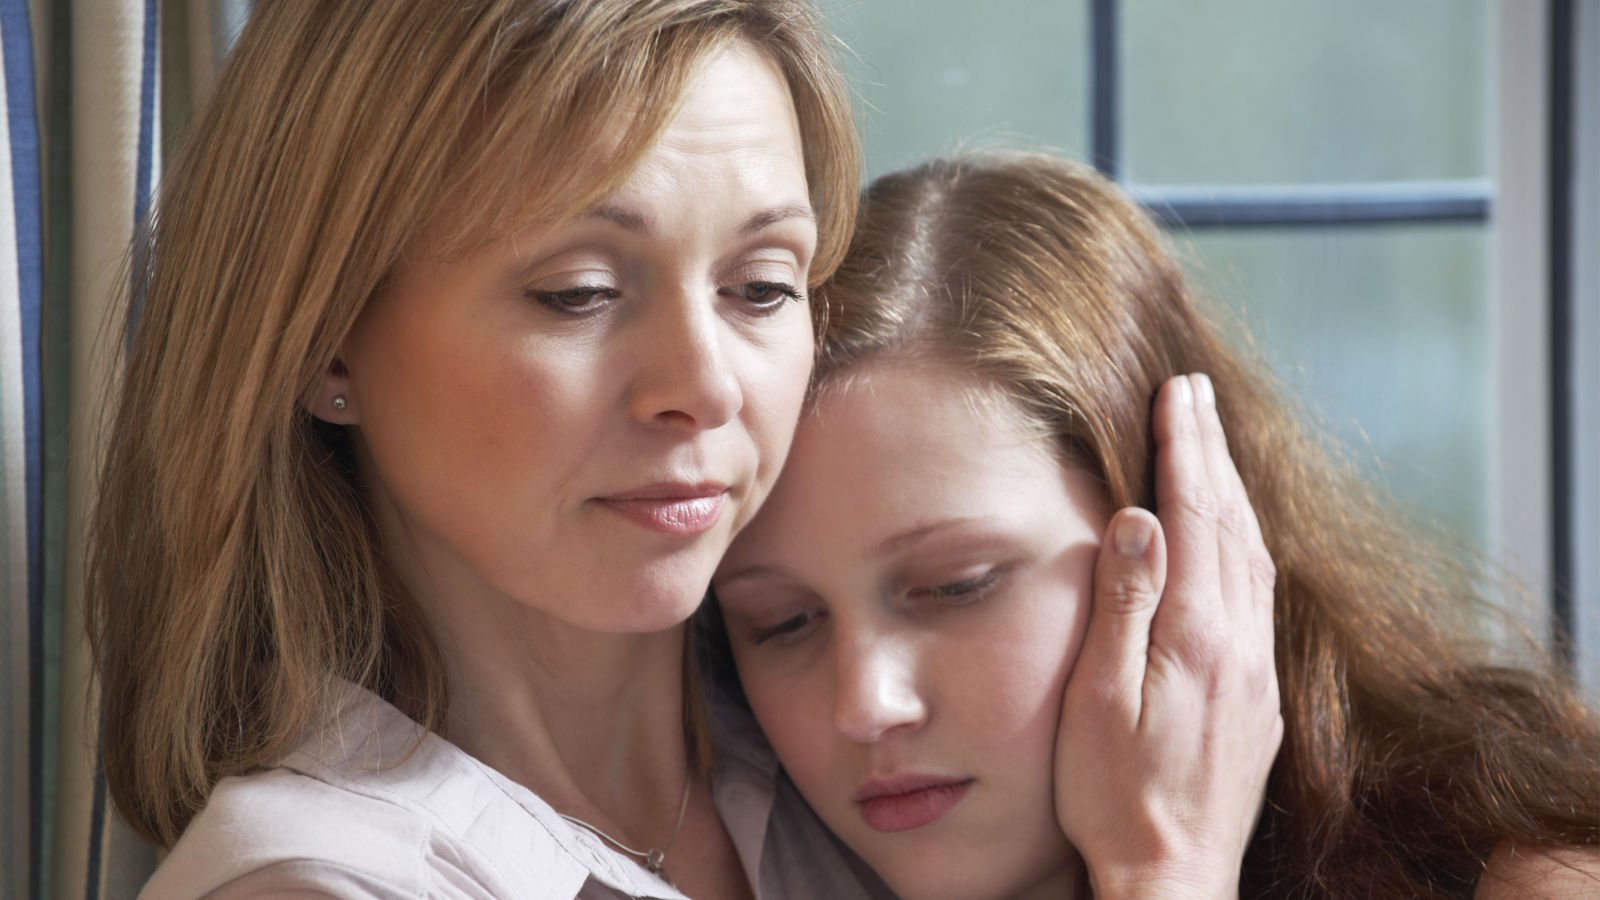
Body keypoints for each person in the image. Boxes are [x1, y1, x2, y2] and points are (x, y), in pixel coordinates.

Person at [87, 4, 1272, 899]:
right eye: (578, 294)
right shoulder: (321, 882)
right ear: (324, 346)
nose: (703, 385)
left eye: (762, 287)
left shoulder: (859, 775)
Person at [710, 152, 1600, 899]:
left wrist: (1166, 864)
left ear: (1188, 540)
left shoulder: (1532, 874)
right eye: (783, 624)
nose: (864, 705)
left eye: (957, 586)